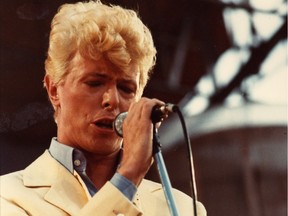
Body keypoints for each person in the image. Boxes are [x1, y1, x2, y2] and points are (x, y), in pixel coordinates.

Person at [0, 1, 206, 215]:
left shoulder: (186, 209)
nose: (112, 100)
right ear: (54, 90)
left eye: (126, 88)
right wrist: (128, 177)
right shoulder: (7, 196)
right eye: (94, 83)